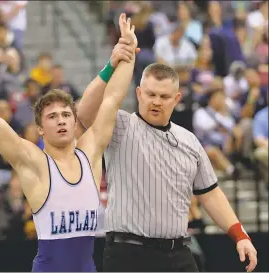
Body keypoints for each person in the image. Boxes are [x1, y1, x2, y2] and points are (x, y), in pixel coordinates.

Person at [0, 13, 137, 272]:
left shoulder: (91, 153)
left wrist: (127, 51)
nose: (61, 121)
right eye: (53, 117)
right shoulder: (34, 163)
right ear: (40, 129)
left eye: (66, 115)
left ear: (75, 122)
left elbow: (113, 99)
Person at [77, 28, 258, 273]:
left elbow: (211, 193)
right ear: (139, 93)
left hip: (178, 254)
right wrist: (111, 66)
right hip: (128, 255)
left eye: (164, 96)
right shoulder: (120, 125)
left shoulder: (189, 141)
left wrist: (240, 235)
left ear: (176, 98)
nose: (156, 101)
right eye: (150, 94)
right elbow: (85, 113)